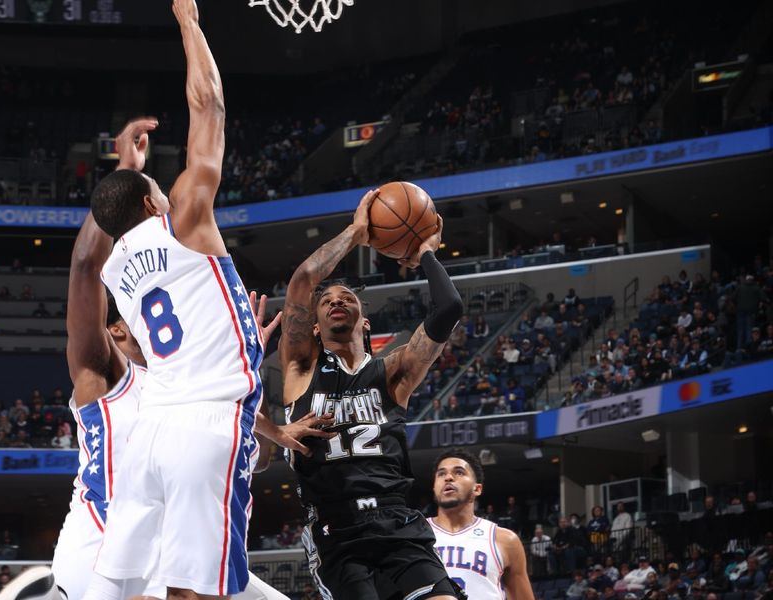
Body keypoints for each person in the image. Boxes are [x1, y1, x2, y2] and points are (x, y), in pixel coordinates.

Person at [84, 8, 329, 596]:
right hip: (205, 427)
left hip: (151, 434)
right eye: (156, 190)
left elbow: (166, 359)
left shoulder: (116, 272)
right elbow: (209, 106)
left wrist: (240, 342)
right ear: (150, 204)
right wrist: (187, 21)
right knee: (198, 587)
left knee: (148, 584)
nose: (168, 194)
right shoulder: (184, 218)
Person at [280, 193, 465, 600]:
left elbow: (449, 306)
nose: (336, 301)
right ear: (313, 327)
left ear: (365, 322)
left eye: (347, 298)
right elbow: (302, 282)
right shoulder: (300, 369)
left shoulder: (394, 371)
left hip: (398, 525)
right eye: (326, 301)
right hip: (338, 532)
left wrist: (426, 254)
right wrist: (357, 233)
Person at [429, 449, 533, 599]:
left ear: (477, 489)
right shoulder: (414, 536)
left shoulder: (504, 540)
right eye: (441, 474)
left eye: (459, 472)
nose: (448, 477)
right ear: (434, 487)